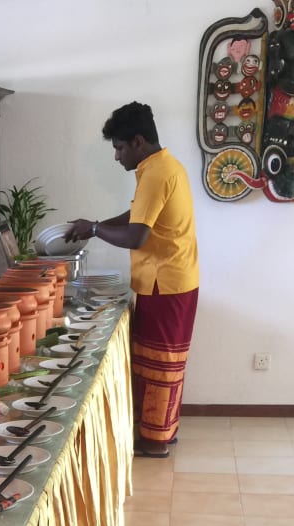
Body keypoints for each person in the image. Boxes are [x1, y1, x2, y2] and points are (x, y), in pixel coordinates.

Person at [65, 102, 199, 457]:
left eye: (120, 147)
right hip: (173, 279)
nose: (117, 156)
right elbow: (137, 215)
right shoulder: (163, 166)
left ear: (138, 141)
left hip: (165, 282)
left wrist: (95, 229)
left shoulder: (156, 173)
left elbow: (137, 236)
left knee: (159, 364)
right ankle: (163, 431)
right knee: (163, 363)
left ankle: (155, 441)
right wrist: (94, 227)